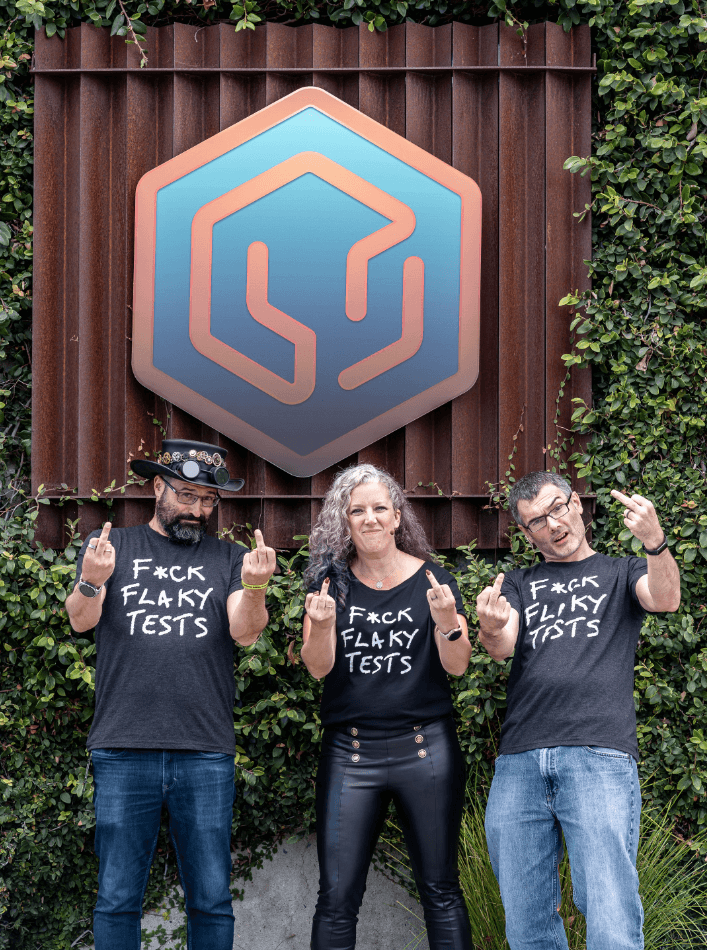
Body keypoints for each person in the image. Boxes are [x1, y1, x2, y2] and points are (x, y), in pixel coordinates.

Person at [65, 439, 276, 950]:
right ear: (157, 487)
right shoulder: (112, 546)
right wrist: (92, 581)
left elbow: (245, 633)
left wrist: (254, 588)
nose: (197, 510)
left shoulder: (230, 557)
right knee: (117, 898)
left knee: (210, 899)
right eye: (186, 496)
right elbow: (79, 619)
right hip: (122, 747)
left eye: (208, 500)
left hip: (204, 750)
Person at [476, 471, 681, 950]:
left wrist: (654, 543)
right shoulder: (520, 584)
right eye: (537, 521)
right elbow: (502, 645)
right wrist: (489, 626)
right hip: (520, 762)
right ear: (527, 536)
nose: (553, 524)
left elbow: (666, 599)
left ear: (577, 504)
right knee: (526, 922)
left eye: (557, 507)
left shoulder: (621, 571)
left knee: (610, 911)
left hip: (599, 758)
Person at [301, 462, 474, 950]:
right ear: (346, 520)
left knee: (441, 891)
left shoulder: (432, 579)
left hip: (427, 752)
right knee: (335, 899)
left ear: (397, 517)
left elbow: (458, 666)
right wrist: (323, 625)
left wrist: (447, 622)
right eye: (359, 511)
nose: (370, 518)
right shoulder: (330, 583)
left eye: (380, 508)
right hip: (349, 755)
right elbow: (317, 668)